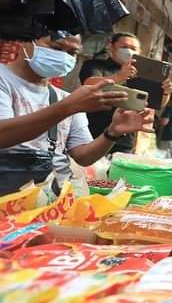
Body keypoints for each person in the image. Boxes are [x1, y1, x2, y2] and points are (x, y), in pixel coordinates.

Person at [0, 33, 154, 194]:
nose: (62, 56)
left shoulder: (65, 97)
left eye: (72, 52)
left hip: (51, 199)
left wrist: (113, 132)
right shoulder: (4, 80)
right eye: (56, 47)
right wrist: (69, 107)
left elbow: (83, 156)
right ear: (25, 42)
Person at [79, 32, 172, 153]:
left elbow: (156, 103)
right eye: (124, 47)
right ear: (111, 47)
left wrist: (165, 92)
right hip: (92, 132)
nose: (129, 51)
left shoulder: (143, 75)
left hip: (124, 139)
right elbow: (90, 84)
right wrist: (120, 77)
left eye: (133, 49)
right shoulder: (95, 65)